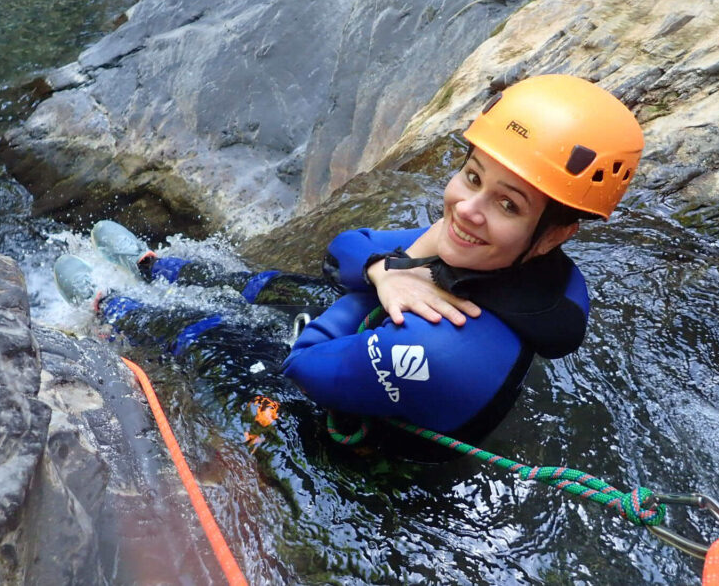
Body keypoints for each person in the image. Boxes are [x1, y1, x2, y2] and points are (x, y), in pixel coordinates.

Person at [56, 74, 643, 454]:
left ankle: (110, 305)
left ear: (553, 234)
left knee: (213, 342)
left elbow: (303, 364)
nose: (467, 209)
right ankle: (154, 263)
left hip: (343, 421)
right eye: (471, 176)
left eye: (507, 203)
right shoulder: (526, 266)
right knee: (268, 286)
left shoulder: (443, 349)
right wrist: (388, 273)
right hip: (370, 333)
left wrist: (389, 271)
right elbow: (348, 243)